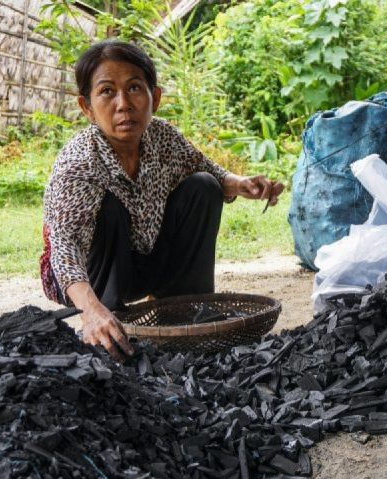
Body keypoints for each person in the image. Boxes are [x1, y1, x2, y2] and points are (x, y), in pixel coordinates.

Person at [39, 39, 285, 361]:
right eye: (107, 92)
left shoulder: (161, 137)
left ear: (154, 98)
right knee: (109, 207)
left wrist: (243, 185)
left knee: (203, 186)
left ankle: (185, 314)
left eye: (135, 88)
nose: (123, 104)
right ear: (87, 107)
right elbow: (65, 248)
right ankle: (107, 326)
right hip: (87, 276)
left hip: (142, 258)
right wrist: (90, 308)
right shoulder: (79, 162)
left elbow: (206, 168)